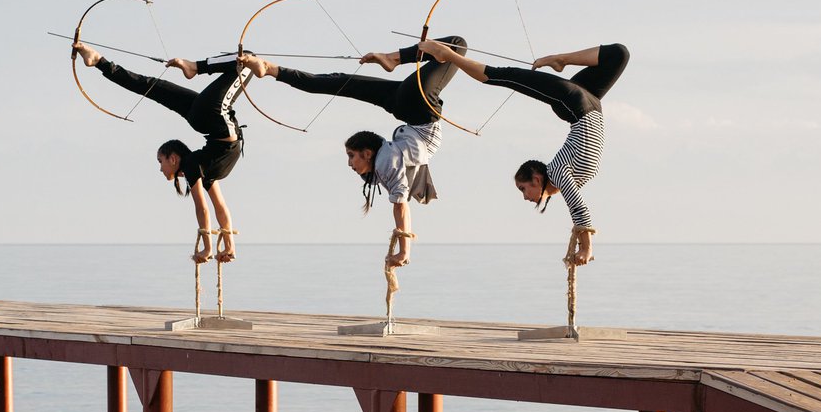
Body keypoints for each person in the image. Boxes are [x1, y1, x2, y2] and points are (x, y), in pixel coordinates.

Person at [238, 36, 467, 268]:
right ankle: (394, 58)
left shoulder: (383, 165)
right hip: (419, 109)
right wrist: (404, 249)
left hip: (405, 107)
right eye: (351, 156)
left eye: (350, 156)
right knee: (456, 45)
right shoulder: (387, 162)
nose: (349, 164)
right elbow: (400, 205)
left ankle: (271, 70)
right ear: (367, 153)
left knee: (338, 82)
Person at [417, 40, 630, 266]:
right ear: (537, 178)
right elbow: (578, 207)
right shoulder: (559, 174)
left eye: (522, 189)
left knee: (618, 54)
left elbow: (575, 204)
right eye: (523, 189)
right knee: (503, 75)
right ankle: (449, 55)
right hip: (581, 103)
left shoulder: (559, 174)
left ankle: (560, 59)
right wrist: (586, 247)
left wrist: (582, 244)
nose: (524, 196)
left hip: (582, 103)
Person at [72, 41, 252, 264]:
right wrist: (228, 246)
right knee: (245, 61)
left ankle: (192, 66)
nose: (159, 167)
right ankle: (99, 61)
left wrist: (208, 249)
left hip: (212, 118)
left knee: (246, 60)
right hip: (212, 121)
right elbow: (215, 207)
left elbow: (204, 209)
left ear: (173, 158)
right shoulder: (201, 167)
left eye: (160, 161)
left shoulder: (194, 165)